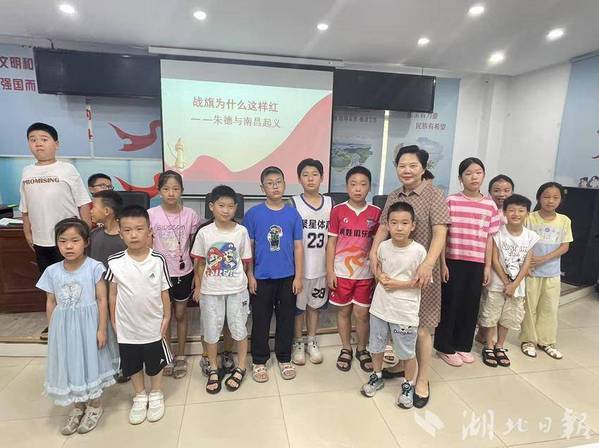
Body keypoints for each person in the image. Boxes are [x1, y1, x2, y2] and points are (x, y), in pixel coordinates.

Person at [371, 145, 449, 408]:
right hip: (395, 270)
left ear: (423, 168)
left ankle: (422, 379)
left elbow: (440, 232)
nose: (407, 170)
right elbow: (384, 227)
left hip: (422, 271)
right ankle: (403, 367)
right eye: (402, 165)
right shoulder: (394, 195)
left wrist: (428, 264)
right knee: (397, 324)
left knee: (423, 328)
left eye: (413, 165)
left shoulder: (434, 194)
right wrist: (373, 252)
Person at [36, 218, 119, 435]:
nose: (69, 246)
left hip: (89, 326)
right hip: (64, 328)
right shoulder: (52, 271)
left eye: (75, 240)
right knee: (71, 362)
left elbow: (102, 299)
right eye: (63, 241)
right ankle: (77, 406)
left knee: (91, 361)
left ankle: (95, 405)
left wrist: (102, 329)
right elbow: (51, 302)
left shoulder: (94, 267)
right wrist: (53, 330)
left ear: (86, 242)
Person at [105, 205, 172, 425]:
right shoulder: (115, 261)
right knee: (132, 363)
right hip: (127, 326)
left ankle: (156, 393)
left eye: (139, 229)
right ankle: (140, 395)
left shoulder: (158, 260)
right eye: (127, 230)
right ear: (120, 233)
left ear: (149, 231)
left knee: (155, 363)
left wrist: (166, 317)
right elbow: (112, 294)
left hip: (153, 324)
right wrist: (114, 320)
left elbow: (164, 293)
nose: (133, 235)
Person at [435, 158, 501, 366]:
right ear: (460, 178)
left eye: (478, 172)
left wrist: (487, 266)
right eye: (468, 173)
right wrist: (442, 263)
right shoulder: (451, 201)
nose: (474, 177)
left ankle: (463, 345)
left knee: (470, 305)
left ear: (484, 175)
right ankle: (445, 347)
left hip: (476, 263)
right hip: (453, 261)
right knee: (450, 304)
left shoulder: (490, 205)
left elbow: (490, 238)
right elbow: (442, 235)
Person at [361, 202, 426, 409]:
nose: (399, 228)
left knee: (406, 352)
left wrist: (398, 284)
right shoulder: (382, 247)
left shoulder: (419, 251)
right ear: (387, 225)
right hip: (380, 308)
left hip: (404, 312)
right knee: (376, 346)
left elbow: (422, 282)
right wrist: (380, 276)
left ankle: (408, 384)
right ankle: (377, 375)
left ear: (413, 226)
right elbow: (377, 270)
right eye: (394, 223)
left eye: (404, 223)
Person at [243, 166, 304, 383]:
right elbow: (248, 249)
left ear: (285, 185)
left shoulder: (293, 214)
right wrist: (250, 275)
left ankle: (284, 357)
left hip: (288, 277)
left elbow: (298, 247)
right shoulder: (253, 214)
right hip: (261, 277)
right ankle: (259, 360)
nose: (275, 186)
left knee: (286, 319)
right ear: (262, 188)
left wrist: (298, 276)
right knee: (261, 319)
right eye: (270, 183)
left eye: (278, 182)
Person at [191, 185, 252, 393]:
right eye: (221, 205)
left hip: (236, 290)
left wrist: (242, 280)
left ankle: (241, 366)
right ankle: (214, 368)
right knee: (211, 332)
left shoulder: (241, 231)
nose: (226, 210)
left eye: (230, 206)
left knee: (239, 329)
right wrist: (199, 286)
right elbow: (199, 263)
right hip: (210, 291)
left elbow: (245, 261)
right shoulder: (204, 233)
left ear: (236, 208)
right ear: (211, 207)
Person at [327, 166, 381, 373]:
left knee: (362, 313)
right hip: (341, 272)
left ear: (369, 187)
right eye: (353, 184)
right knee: (344, 311)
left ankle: (362, 348)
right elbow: (331, 243)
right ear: (346, 186)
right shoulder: (338, 210)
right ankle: (346, 348)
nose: (358, 188)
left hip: (365, 274)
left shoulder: (376, 212)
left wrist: (377, 272)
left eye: (363, 184)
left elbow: (378, 245)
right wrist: (330, 271)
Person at [20, 122, 92, 275]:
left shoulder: (67, 169)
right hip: (40, 239)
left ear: (56, 144)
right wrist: (27, 233)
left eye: (44, 139)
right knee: (50, 279)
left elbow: (83, 203)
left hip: (68, 238)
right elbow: (25, 207)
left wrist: (85, 233)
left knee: (74, 278)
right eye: (33, 140)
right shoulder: (27, 171)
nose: (38, 143)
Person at [148, 171, 200, 379]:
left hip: (183, 272)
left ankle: (181, 355)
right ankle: (167, 355)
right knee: (165, 317)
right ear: (159, 191)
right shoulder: (151, 214)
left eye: (175, 189)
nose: (171, 193)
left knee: (180, 314)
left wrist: (197, 275)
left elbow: (195, 247)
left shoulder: (190, 215)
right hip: (159, 274)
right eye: (166, 189)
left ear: (182, 191)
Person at [479, 194, 539, 368]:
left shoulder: (530, 236)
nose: (516, 214)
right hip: (497, 284)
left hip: (517, 286)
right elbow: (494, 259)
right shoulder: (498, 233)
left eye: (521, 210)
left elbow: (527, 262)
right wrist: (507, 283)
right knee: (492, 315)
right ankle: (489, 346)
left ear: (527, 213)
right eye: (511, 210)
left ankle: (500, 345)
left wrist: (515, 284)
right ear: (504, 212)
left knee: (508, 317)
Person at [520, 182, 572, 360]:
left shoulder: (564, 220)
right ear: (538, 198)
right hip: (531, 272)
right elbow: (523, 242)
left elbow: (565, 246)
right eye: (546, 197)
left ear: (560, 200)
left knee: (549, 307)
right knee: (529, 307)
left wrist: (543, 258)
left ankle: (546, 341)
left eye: (555, 197)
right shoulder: (529, 218)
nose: (550, 201)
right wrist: (528, 264)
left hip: (552, 273)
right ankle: (528, 340)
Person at [290, 158, 333, 365]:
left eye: (315, 174)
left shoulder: (331, 203)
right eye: (305, 175)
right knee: (298, 309)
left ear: (322, 177)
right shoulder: (293, 203)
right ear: (299, 179)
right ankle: (298, 342)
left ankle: (312, 340)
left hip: (321, 267)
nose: (310, 179)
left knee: (314, 307)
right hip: (300, 269)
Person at [89, 189, 129, 383]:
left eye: (93, 207)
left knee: (122, 329)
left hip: (122, 294)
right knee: (105, 329)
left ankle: (126, 365)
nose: (90, 210)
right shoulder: (94, 235)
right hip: (100, 295)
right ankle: (110, 365)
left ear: (107, 211)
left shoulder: (125, 236)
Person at [474, 174, 515, 345]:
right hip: (487, 261)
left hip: (508, 264)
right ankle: (483, 333)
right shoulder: (486, 210)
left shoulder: (513, 213)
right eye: (497, 190)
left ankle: (490, 337)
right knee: (486, 299)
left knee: (501, 300)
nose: (502, 194)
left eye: (506, 190)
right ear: (490, 192)